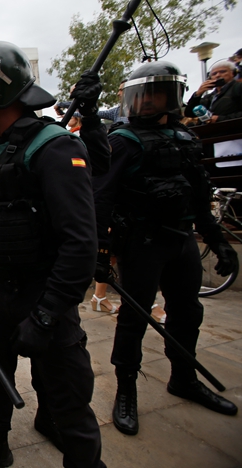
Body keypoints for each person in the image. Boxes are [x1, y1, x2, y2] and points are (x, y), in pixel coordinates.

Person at [0, 41, 105, 468]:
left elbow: (80, 244)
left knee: (68, 399)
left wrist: (49, 314)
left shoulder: (54, 147)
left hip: (43, 292)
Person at [92, 61, 239, 437]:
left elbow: (199, 195)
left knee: (187, 312)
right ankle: (126, 390)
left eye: (156, 94)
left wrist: (219, 242)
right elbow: (102, 198)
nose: (147, 102)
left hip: (182, 240)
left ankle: (184, 378)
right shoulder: (122, 140)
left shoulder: (185, 139)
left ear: (171, 97)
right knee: (135, 318)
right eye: (140, 95)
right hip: (142, 243)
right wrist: (99, 252)